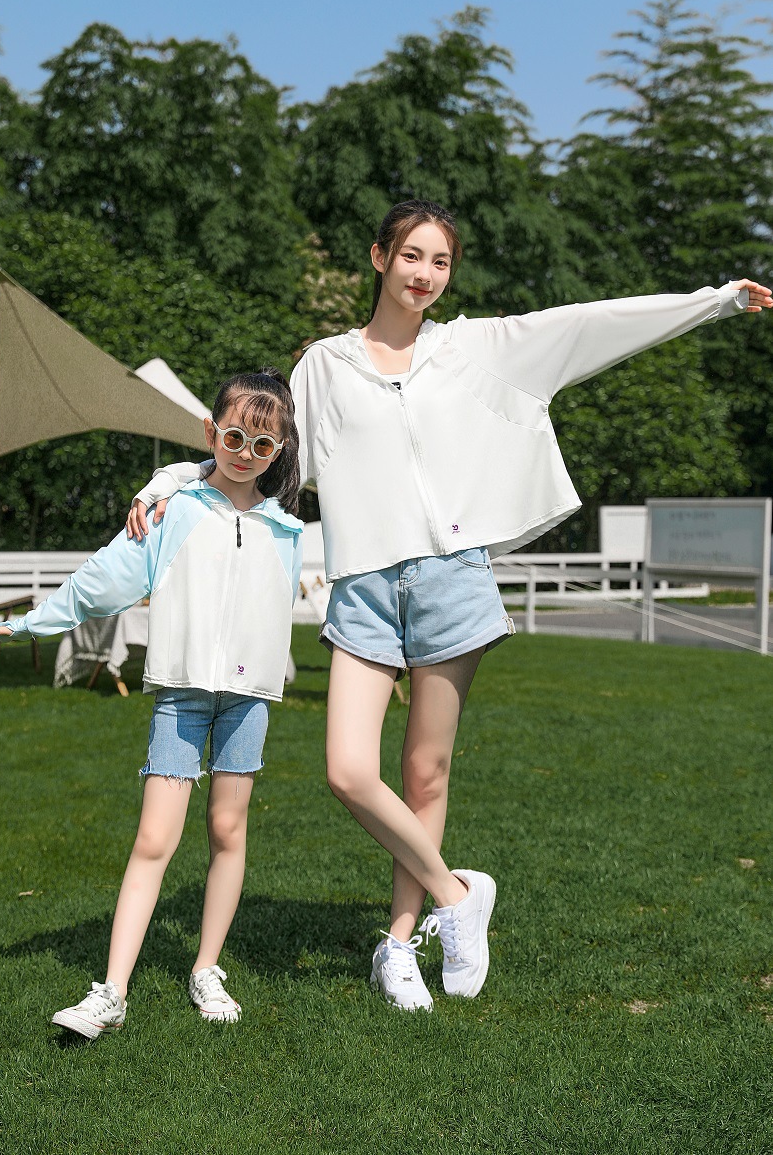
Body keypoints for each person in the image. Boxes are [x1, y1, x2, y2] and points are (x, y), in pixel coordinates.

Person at [128, 200, 772, 1013]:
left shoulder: (472, 349)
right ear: (378, 257)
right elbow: (256, 449)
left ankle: (399, 946)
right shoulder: (323, 365)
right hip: (364, 584)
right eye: (411, 256)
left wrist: (716, 300)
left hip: (452, 578)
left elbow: (587, 326)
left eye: (440, 261)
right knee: (348, 770)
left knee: (425, 771)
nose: (425, 274)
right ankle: (460, 894)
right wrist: (167, 482)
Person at [0, 368, 302, 1036]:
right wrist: (31, 623)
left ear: (279, 450)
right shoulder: (171, 510)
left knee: (228, 832)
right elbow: (102, 580)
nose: (245, 453)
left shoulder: (286, 531)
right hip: (181, 697)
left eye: (262, 444)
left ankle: (206, 968)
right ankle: (112, 991)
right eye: (233, 437)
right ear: (211, 432)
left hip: (249, 702)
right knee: (154, 838)